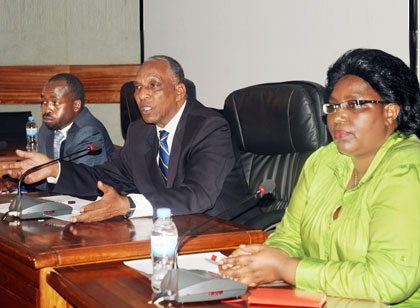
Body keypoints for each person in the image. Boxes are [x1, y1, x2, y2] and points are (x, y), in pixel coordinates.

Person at [219, 48, 420, 307]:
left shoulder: (407, 168)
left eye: (355, 104)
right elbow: (290, 236)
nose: (338, 116)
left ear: (390, 112)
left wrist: (286, 268)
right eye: (333, 106)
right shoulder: (322, 162)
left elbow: (388, 281)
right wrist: (259, 261)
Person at [4, 56, 254, 223]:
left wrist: (128, 205)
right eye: (137, 87)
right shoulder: (140, 132)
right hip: (167, 231)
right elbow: (103, 178)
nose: (142, 96)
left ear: (179, 91)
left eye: (153, 86)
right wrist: (54, 168)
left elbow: (198, 195)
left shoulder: (209, 128)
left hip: (221, 232)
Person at [39, 73, 115, 165]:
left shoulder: (89, 132)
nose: (47, 110)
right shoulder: (46, 129)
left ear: (76, 105)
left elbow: (84, 177)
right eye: (44, 102)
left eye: (55, 103)